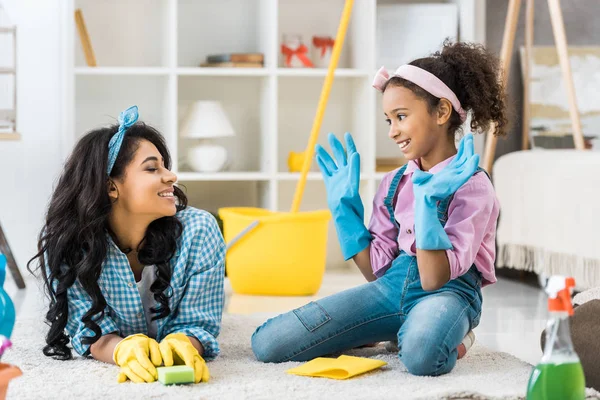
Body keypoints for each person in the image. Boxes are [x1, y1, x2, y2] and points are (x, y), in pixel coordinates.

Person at [251, 41, 507, 376]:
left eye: (401, 117)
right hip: (391, 287)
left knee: (421, 357)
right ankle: (388, 329)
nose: (392, 131)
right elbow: (377, 272)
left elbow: (433, 280)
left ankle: (456, 338)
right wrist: (344, 210)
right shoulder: (394, 184)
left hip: (448, 294)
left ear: (442, 112)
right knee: (270, 344)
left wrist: (427, 207)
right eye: (388, 119)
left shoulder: (473, 186)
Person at [28, 106, 225, 384]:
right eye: (152, 168)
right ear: (111, 187)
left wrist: (186, 343)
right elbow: (89, 331)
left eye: (165, 166)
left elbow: (198, 322)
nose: (171, 176)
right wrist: (121, 349)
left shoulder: (199, 231)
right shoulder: (70, 242)